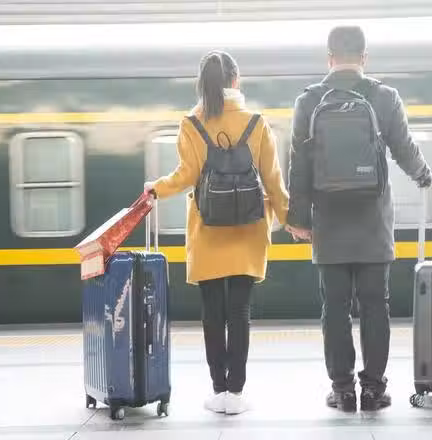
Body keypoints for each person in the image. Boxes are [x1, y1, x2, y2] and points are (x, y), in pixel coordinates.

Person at [285, 26, 432, 412]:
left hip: (329, 221)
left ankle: (342, 390)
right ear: (364, 58)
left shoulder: (309, 100)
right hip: (373, 221)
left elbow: (298, 164)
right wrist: (422, 174)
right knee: (374, 305)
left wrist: (298, 218)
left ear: (329, 58)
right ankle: (372, 389)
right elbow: (403, 148)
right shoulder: (384, 97)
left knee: (334, 308)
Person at [144, 50, 289, 415]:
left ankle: (218, 390)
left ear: (203, 84)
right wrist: (291, 219)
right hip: (249, 229)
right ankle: (236, 394)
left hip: (207, 229)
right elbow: (273, 181)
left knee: (212, 312)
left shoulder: (191, 123)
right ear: (236, 81)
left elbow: (186, 176)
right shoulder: (257, 123)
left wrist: (155, 189)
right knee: (240, 310)